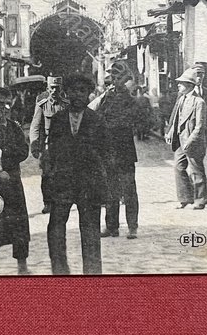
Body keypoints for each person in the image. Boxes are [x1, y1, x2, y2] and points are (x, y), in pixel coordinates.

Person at [47, 74, 110, 274]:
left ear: (89, 94)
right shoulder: (57, 120)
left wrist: (104, 185)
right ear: (66, 93)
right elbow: (51, 153)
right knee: (55, 230)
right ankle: (60, 271)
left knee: (91, 232)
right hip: (62, 183)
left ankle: (92, 275)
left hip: (89, 185)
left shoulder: (97, 120)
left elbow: (106, 154)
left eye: (82, 91)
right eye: (74, 90)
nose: (78, 95)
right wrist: (49, 182)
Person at [0, 88, 31, 275]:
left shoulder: (14, 127)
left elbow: (23, 151)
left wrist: (6, 160)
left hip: (13, 182)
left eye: (8, 104)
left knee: (20, 226)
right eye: (0, 104)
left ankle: (22, 266)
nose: (4, 108)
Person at [91, 77, 140, 239]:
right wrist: (103, 97)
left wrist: (107, 122)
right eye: (110, 82)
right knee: (110, 191)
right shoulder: (106, 98)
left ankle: (132, 227)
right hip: (109, 151)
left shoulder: (129, 100)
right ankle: (112, 226)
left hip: (125, 152)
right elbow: (92, 112)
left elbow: (131, 119)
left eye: (116, 80)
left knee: (129, 191)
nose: (112, 84)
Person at [165, 68, 207, 209]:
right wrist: (170, 132)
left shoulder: (199, 102)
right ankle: (185, 198)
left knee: (196, 170)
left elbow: (199, 126)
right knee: (178, 168)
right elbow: (176, 119)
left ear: (189, 85)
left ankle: (200, 200)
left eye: (181, 83)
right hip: (180, 140)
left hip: (192, 141)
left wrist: (189, 141)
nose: (178, 85)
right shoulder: (181, 99)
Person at [30, 76, 68, 214]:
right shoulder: (42, 104)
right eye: (52, 88)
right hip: (48, 145)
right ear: (47, 88)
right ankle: (48, 202)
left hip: (63, 145)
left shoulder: (66, 104)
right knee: (47, 175)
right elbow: (35, 125)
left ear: (61, 88)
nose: (54, 90)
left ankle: (62, 200)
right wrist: (34, 145)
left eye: (57, 88)